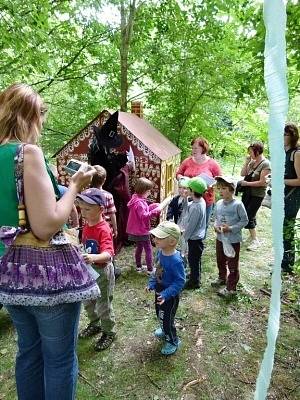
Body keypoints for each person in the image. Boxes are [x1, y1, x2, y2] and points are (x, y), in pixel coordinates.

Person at [0, 83, 98, 400]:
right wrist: (74, 185)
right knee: (58, 361)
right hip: (46, 276)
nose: (41, 123)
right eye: (40, 115)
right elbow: (46, 225)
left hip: (10, 274)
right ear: (30, 116)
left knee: (28, 353)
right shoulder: (27, 154)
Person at [76, 188, 116, 350]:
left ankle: (109, 332)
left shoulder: (103, 228)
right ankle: (95, 324)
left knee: (103, 303)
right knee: (88, 300)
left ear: (100, 209)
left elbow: (108, 254)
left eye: (87, 209)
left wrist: (93, 258)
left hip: (102, 271)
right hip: (88, 270)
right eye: (81, 208)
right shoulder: (87, 224)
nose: (83, 212)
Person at [146, 221, 185, 355]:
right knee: (160, 314)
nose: (155, 239)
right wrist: (151, 283)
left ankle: (173, 340)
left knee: (167, 318)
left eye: (159, 237)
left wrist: (166, 294)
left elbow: (180, 281)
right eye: (155, 236)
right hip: (159, 291)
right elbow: (157, 270)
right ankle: (164, 329)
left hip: (169, 296)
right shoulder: (160, 252)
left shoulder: (176, 261)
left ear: (172, 241)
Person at [212, 176, 248, 298]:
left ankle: (231, 287)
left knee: (232, 263)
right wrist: (216, 226)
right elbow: (216, 219)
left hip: (233, 240)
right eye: (219, 188)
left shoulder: (238, 205)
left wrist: (231, 228)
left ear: (232, 189)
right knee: (220, 259)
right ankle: (222, 277)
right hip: (220, 239)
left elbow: (244, 220)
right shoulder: (218, 204)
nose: (220, 191)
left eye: (224, 188)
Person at [176, 137, 221, 232]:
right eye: (192, 148)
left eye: (195, 148)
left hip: (205, 200)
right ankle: (187, 243)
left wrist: (212, 185)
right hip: (188, 198)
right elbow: (178, 174)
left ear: (203, 148)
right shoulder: (187, 161)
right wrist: (182, 179)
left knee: (202, 226)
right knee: (187, 223)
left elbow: (220, 180)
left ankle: (199, 243)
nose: (193, 150)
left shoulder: (213, 164)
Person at [126, 177, 170, 274]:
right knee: (148, 248)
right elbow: (144, 216)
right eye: (149, 191)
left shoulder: (136, 198)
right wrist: (156, 210)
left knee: (139, 247)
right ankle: (150, 269)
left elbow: (143, 211)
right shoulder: (140, 203)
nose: (150, 193)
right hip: (141, 230)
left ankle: (138, 266)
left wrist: (152, 206)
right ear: (144, 191)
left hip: (135, 230)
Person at [238, 141, 271, 251]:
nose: (249, 154)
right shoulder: (252, 163)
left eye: (251, 151)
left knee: (248, 216)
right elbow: (243, 174)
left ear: (257, 151)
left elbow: (263, 182)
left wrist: (247, 184)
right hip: (248, 193)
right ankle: (252, 236)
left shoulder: (266, 164)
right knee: (246, 213)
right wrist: (246, 163)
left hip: (258, 195)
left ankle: (255, 240)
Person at [282, 123, 300, 273]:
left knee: (287, 229)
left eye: (285, 134)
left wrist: (281, 180)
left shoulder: (297, 153)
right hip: (285, 194)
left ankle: (288, 264)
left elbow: (299, 180)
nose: (282, 137)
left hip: (293, 196)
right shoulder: (285, 152)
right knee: (282, 228)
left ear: (292, 136)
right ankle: (284, 261)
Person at [183, 177, 207, 289]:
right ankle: (195, 275)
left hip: (194, 238)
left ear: (192, 191)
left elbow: (191, 225)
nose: (186, 189)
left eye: (188, 188)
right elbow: (189, 207)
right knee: (196, 259)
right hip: (197, 237)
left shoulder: (196, 207)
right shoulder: (200, 201)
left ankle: (194, 282)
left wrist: (184, 237)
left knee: (193, 260)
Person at [90, 165, 118, 238]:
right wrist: (115, 229)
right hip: (105, 227)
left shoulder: (86, 194)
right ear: (104, 180)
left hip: (90, 226)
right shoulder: (108, 196)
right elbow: (112, 214)